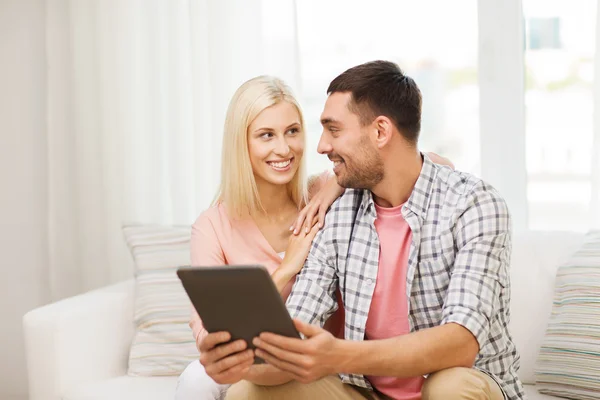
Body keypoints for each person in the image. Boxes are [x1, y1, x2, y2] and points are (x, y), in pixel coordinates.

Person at [220, 61, 526, 400]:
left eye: (333, 130)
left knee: (448, 388)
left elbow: (460, 344)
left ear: (381, 132)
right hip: (367, 392)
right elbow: (297, 332)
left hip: (462, 385)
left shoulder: (474, 204)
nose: (321, 146)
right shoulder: (337, 212)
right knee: (246, 392)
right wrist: (237, 361)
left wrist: (339, 354)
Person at [174, 75, 346, 400]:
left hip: (320, 361)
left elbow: (426, 164)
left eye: (292, 132)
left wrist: (335, 185)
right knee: (195, 381)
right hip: (249, 360)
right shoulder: (211, 226)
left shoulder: (322, 193)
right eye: (266, 135)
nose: (284, 148)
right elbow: (208, 331)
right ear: (242, 144)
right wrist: (286, 269)